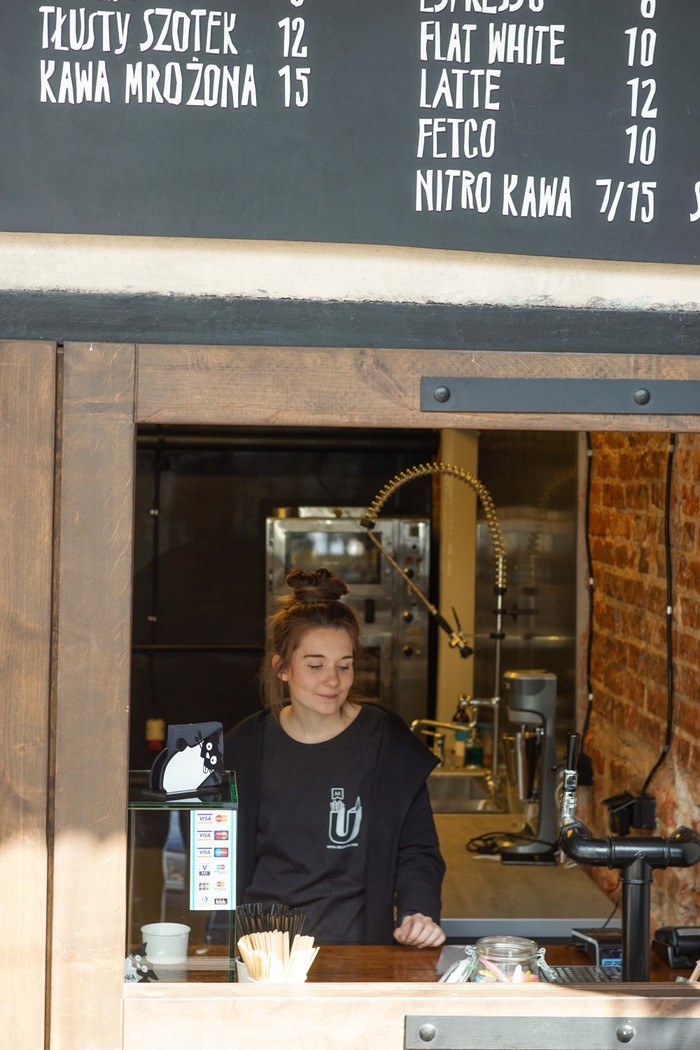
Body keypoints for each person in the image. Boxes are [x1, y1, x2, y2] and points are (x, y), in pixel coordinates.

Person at [224, 567, 446, 947]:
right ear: (281, 668)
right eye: (315, 665)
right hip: (265, 950)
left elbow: (418, 848)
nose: (333, 680)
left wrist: (418, 910)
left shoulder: (385, 742)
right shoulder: (246, 746)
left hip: (357, 949)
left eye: (344, 665)